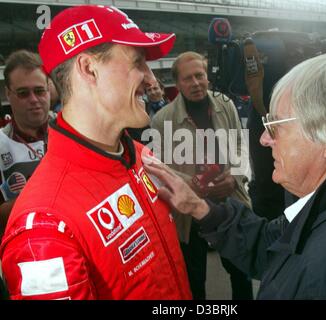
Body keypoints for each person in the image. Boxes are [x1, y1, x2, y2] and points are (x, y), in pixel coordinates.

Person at [144, 50, 326, 299]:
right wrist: (199, 207)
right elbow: (270, 248)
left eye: (276, 125)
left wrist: (234, 178)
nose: (263, 139)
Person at [0, 5, 191, 300]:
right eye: (138, 62)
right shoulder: (43, 228)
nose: (150, 78)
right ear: (89, 69)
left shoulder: (139, 155)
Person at [151, 51, 253, 300]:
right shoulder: (162, 119)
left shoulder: (225, 104)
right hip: (189, 212)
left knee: (241, 272)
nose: (195, 83)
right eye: (188, 78)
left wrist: (234, 178)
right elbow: (161, 169)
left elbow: (241, 146)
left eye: (200, 76)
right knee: (195, 279)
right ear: (177, 83)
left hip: (230, 201)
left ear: (207, 77)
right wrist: (193, 187)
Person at [0, 50, 51, 240]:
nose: (34, 100)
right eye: (23, 93)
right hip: (25, 248)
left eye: (39, 91)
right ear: (8, 94)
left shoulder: (72, 132)